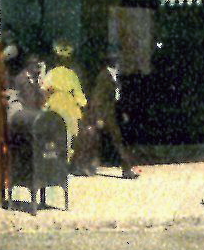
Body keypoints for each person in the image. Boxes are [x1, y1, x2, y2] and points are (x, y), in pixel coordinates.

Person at [78, 48, 137, 180]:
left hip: (112, 112)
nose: (118, 63)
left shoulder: (114, 76)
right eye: (115, 60)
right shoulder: (104, 76)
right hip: (105, 114)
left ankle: (89, 165)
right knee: (107, 141)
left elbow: (117, 97)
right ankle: (125, 170)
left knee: (110, 141)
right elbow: (97, 98)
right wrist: (98, 117)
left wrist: (122, 113)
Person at [43, 42, 87, 149]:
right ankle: (66, 157)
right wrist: (83, 104)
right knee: (68, 134)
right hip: (69, 106)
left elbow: (45, 90)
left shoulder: (51, 73)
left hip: (55, 104)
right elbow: (78, 94)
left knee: (54, 133)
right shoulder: (72, 74)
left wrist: (45, 104)